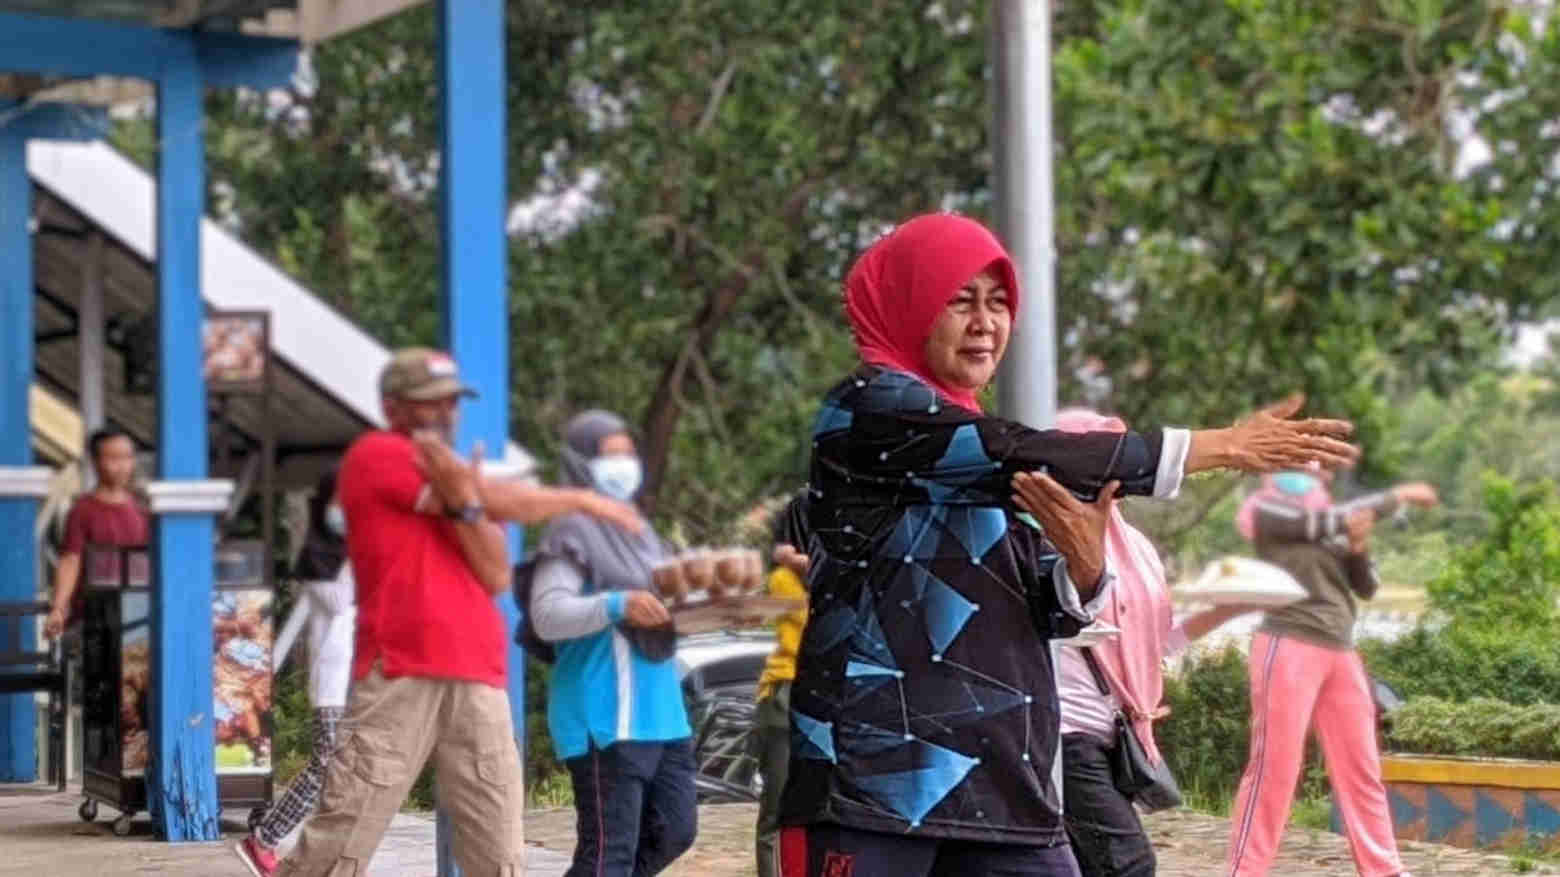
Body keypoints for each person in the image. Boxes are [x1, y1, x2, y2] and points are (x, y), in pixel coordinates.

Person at [777, 212, 1360, 877]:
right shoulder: (869, 410)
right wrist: (1220, 446)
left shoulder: (979, 449)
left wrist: (1086, 567)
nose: (985, 322)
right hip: (874, 782)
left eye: (999, 303)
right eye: (959, 300)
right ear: (910, 305)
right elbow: (1026, 450)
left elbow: (1048, 605)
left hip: (1006, 787)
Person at [275, 349, 641, 877]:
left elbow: (494, 572)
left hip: (478, 672)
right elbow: (499, 500)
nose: (444, 412)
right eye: (428, 403)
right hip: (401, 669)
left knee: (498, 853)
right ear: (392, 406)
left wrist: (468, 502)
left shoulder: (458, 483)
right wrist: (581, 501)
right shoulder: (377, 455)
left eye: (450, 402)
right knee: (340, 841)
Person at [1035, 409, 1258, 877]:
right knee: (1128, 863)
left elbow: (1156, 644)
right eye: (1093, 457)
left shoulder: (1135, 547)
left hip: (1115, 734)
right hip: (1062, 732)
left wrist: (1225, 611)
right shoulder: (1039, 537)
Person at [1225, 467, 1437, 877]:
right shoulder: (1268, 511)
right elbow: (1318, 523)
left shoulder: (1333, 517)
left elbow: (1367, 586)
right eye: (1304, 462)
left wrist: (1358, 546)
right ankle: (1245, 871)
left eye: (1318, 465)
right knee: (1276, 768)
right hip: (1288, 643)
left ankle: (1383, 869)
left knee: (1361, 768)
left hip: (1340, 649)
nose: (1313, 471)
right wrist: (1400, 493)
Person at [528, 409, 697, 877]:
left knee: (676, 830)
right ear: (581, 463)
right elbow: (546, 615)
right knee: (609, 853)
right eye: (610, 455)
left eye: (628, 454)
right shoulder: (570, 532)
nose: (624, 465)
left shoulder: (643, 534)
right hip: (605, 715)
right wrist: (617, 605)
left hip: (662, 714)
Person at [235, 467, 355, 877]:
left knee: (348, 771)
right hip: (331, 686)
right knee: (326, 766)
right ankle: (265, 838)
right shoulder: (320, 561)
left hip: (357, 684)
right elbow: (344, 604)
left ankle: (337, 856)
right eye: (341, 502)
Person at [44, 426, 149, 639]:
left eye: (127, 457)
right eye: (113, 458)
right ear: (95, 462)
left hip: (140, 615)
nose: (122, 466)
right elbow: (71, 559)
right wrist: (59, 607)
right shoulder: (82, 510)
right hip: (95, 617)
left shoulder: (143, 507)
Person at [753, 492, 810, 877]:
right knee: (778, 806)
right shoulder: (783, 579)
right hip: (784, 695)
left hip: (825, 694)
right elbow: (819, 618)